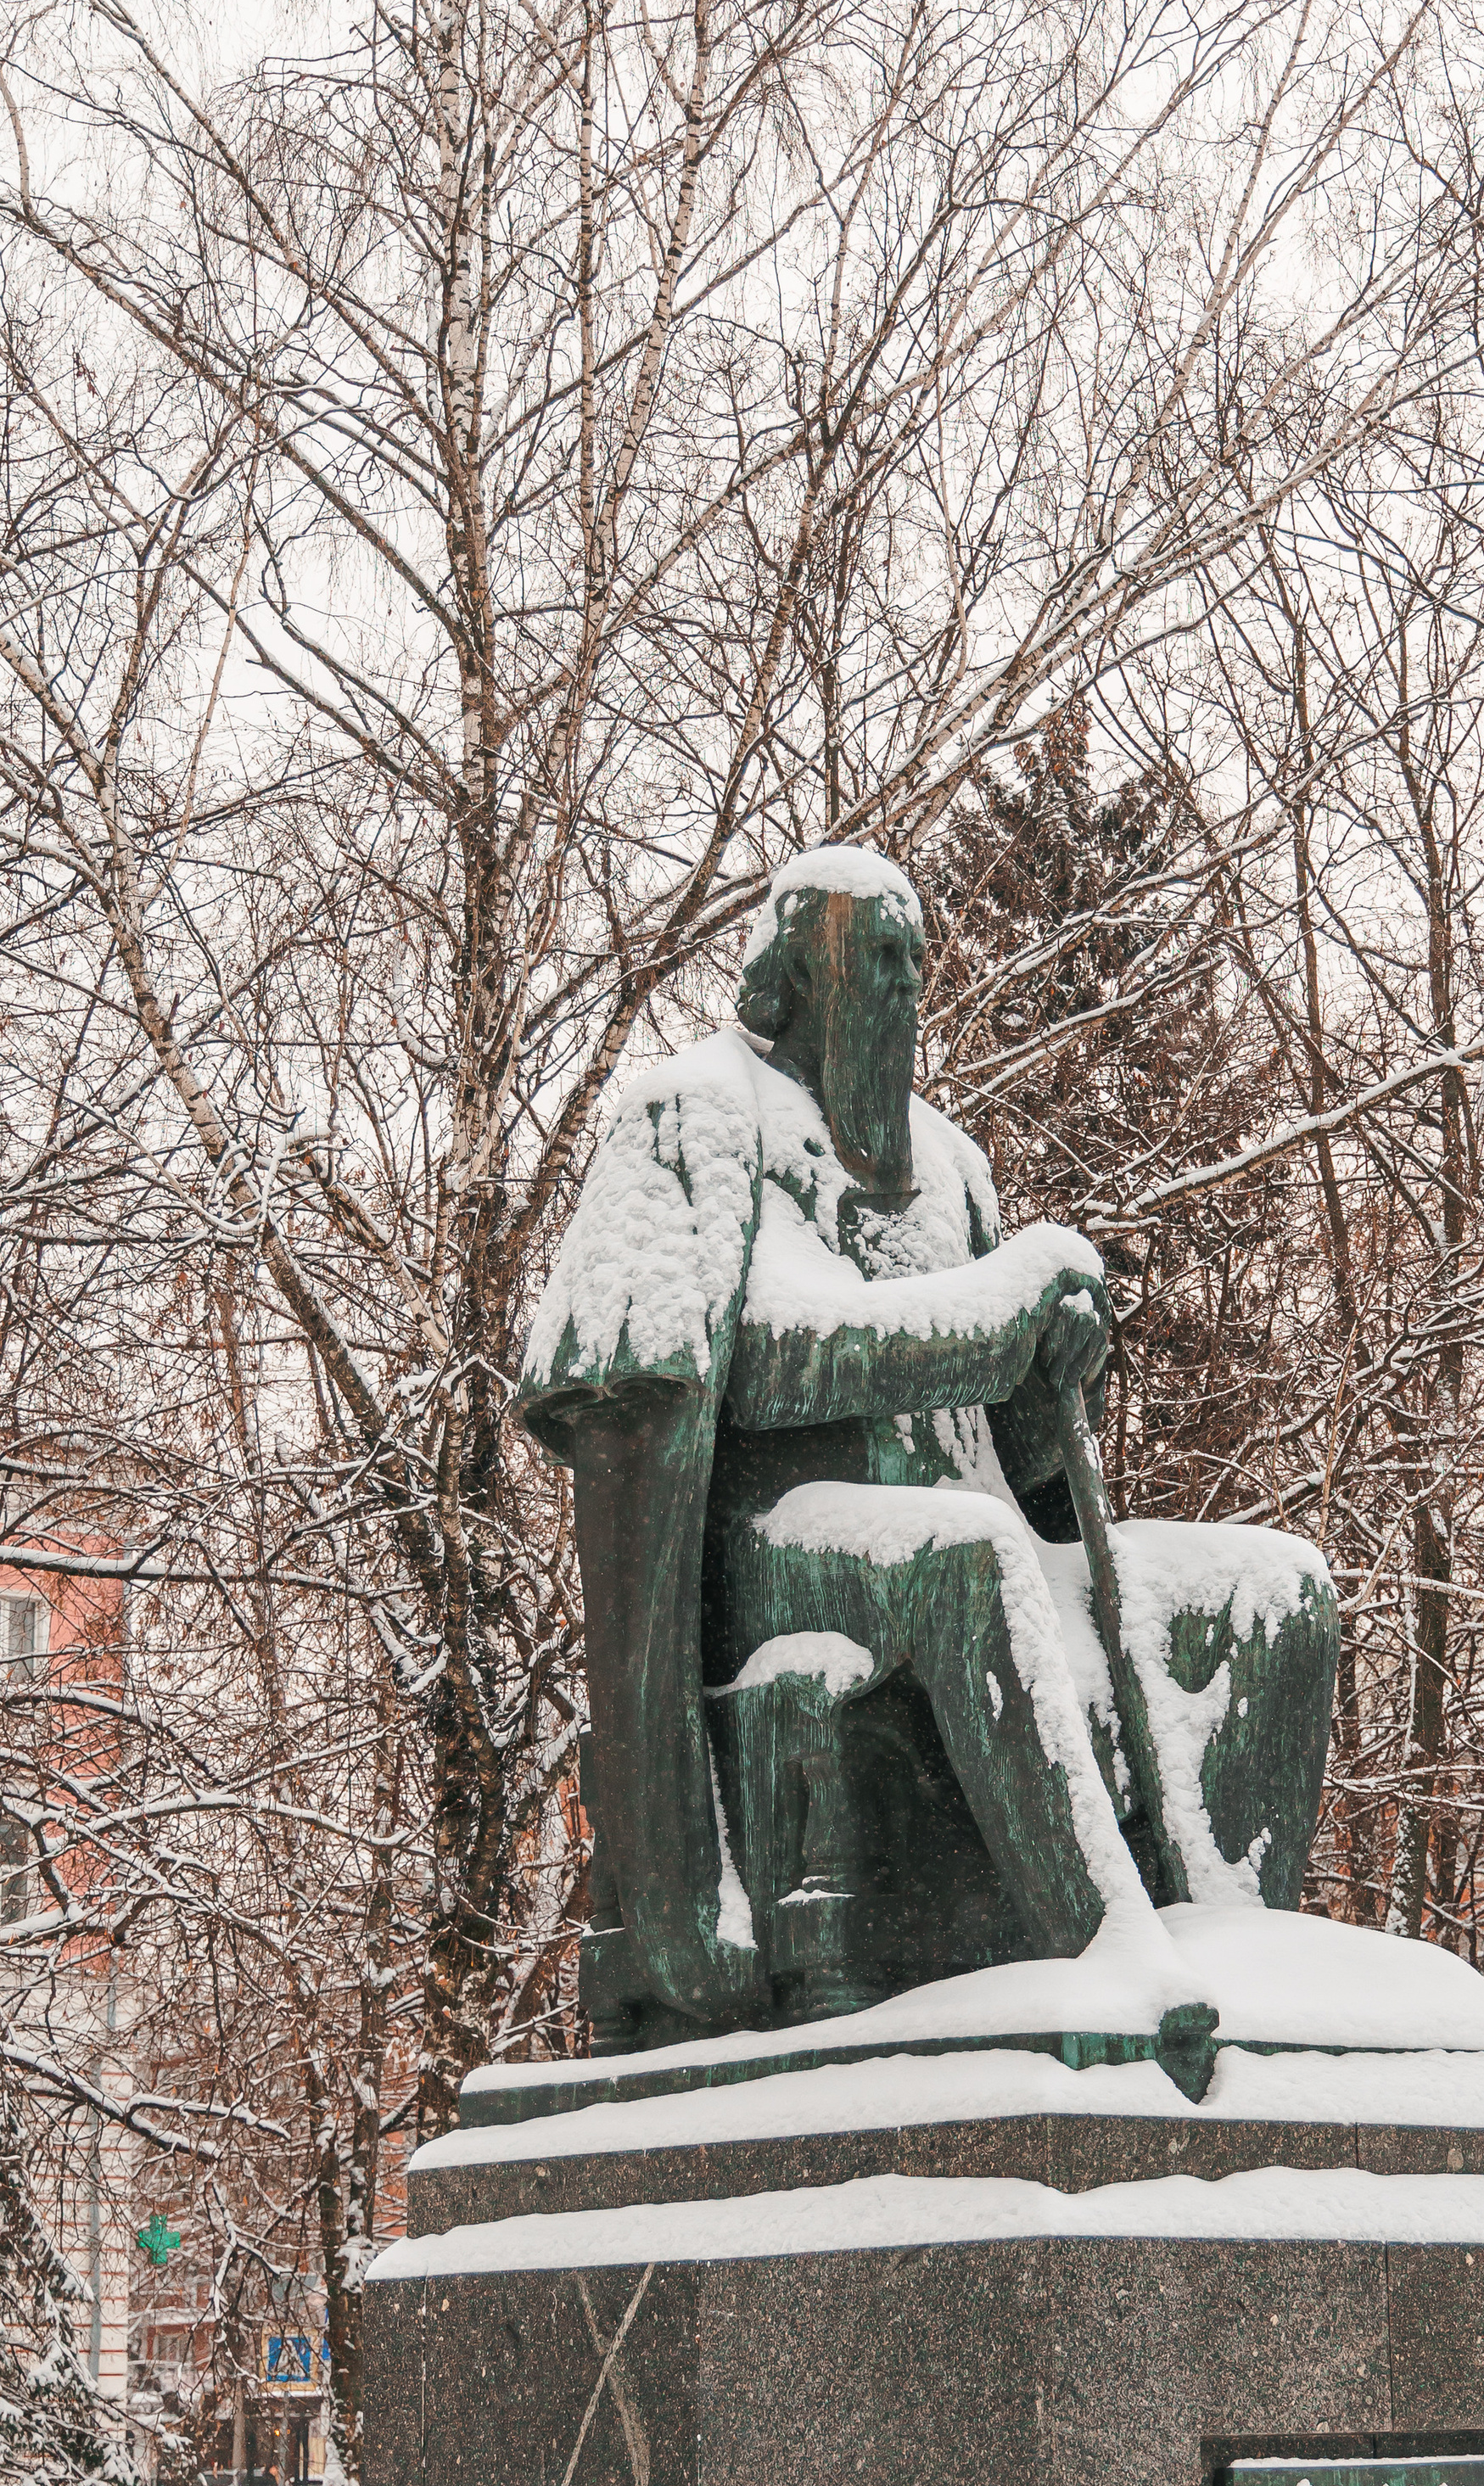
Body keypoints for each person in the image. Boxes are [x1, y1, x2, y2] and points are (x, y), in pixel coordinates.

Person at [521, 846, 1336, 2058]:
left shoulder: (953, 1164)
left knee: (1274, 1589)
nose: (908, 984)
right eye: (880, 958)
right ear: (795, 980)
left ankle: (1235, 1942)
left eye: (916, 959)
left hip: (977, 1532)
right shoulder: (699, 1115)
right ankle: (1109, 1954)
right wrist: (996, 1315)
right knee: (972, 1554)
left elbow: (1017, 1451)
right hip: (777, 1554)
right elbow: (756, 1356)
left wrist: (1054, 1361)